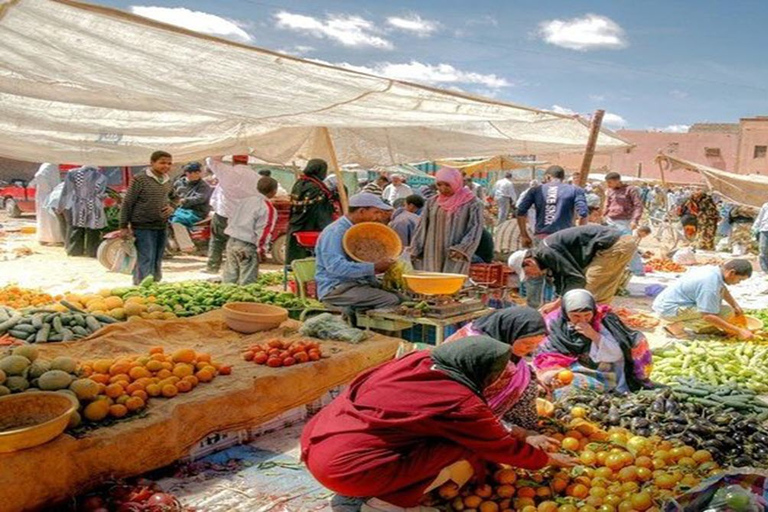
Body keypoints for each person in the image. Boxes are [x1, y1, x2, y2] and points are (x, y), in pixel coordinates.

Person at [301, 336, 575, 512]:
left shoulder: (418, 361)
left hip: (318, 443)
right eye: (497, 374)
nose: (500, 379)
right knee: (461, 448)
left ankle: (389, 488)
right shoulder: (461, 401)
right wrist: (544, 459)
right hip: (349, 471)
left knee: (441, 439)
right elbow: (498, 446)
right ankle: (386, 505)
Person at [443, 308, 552, 433]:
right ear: (509, 332)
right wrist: (519, 433)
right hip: (463, 419)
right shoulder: (478, 352)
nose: (531, 348)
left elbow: (520, 368)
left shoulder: (504, 344)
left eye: (537, 344)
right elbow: (466, 406)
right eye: (526, 343)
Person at [533, 289, 653, 396]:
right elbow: (546, 355)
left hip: (602, 371)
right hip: (565, 370)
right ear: (565, 312)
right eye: (576, 316)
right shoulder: (553, 323)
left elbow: (617, 354)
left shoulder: (604, 320)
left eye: (587, 315)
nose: (583, 320)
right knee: (557, 389)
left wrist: (594, 335)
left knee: (582, 391)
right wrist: (554, 373)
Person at [508, 225, 638, 313]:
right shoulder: (546, 254)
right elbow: (562, 280)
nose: (532, 276)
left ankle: (596, 324)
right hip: (612, 246)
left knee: (590, 291)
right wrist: (557, 302)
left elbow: (575, 278)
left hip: (613, 246)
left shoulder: (546, 252)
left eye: (528, 273)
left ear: (529, 262)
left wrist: (556, 304)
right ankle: (597, 320)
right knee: (594, 291)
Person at [315, 193, 400, 313]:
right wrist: (374, 267)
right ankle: (370, 330)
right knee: (390, 300)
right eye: (376, 212)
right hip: (336, 288)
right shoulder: (335, 232)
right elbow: (335, 267)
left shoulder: (359, 229)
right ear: (361, 211)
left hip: (356, 284)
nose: (379, 217)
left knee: (404, 298)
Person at [652, 259, 754, 339]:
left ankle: (701, 327)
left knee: (725, 310)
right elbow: (708, 316)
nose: (738, 282)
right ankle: (676, 326)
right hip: (669, 309)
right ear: (732, 273)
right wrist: (739, 331)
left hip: (667, 302)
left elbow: (723, 289)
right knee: (723, 313)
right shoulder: (710, 284)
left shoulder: (714, 271)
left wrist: (735, 305)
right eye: (740, 279)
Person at [410, 168, 484, 275]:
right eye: (439, 185)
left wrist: (462, 249)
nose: (442, 188)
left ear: (456, 183)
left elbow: (475, 228)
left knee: (450, 285)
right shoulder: (432, 202)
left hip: (454, 254)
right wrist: (416, 248)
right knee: (432, 285)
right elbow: (422, 226)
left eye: (447, 185)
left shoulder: (473, 203)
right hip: (432, 251)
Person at [119, 151, 175, 284]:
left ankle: (155, 284)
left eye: (169, 163)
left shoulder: (167, 180)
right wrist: (123, 226)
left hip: (161, 225)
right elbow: (128, 202)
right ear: (152, 162)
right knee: (145, 258)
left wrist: (172, 206)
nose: (166, 166)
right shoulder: (140, 179)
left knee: (157, 258)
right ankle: (142, 286)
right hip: (142, 225)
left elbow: (175, 197)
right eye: (162, 162)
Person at [205, 155, 262, 273]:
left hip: (224, 213)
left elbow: (211, 160)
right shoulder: (257, 177)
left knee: (217, 240)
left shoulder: (226, 172)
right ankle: (240, 269)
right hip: (245, 216)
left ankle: (213, 267)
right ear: (247, 160)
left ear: (233, 160)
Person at [222, 177, 278, 285]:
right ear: (274, 191)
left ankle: (226, 300)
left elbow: (231, 217)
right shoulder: (267, 207)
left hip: (232, 241)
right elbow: (264, 231)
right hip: (247, 245)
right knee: (247, 283)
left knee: (230, 278)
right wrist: (261, 250)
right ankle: (243, 300)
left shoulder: (244, 201)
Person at [516, 165, 588, 249]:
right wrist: (579, 234)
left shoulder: (535, 190)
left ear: (548, 177)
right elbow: (583, 213)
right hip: (565, 238)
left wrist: (524, 235)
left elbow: (520, 212)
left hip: (542, 238)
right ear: (562, 178)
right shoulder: (575, 190)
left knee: (541, 261)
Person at [286, 159, 337, 265]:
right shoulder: (316, 188)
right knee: (310, 260)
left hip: (296, 225)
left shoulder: (299, 183)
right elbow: (321, 213)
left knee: (298, 260)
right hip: (310, 228)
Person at [60, 165, 107, 257]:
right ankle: (92, 252)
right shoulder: (102, 177)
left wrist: (61, 206)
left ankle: (74, 251)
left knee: (77, 227)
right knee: (93, 229)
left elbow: (66, 191)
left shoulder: (72, 174)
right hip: (94, 204)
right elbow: (101, 194)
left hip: (78, 203)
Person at [169, 162, 212, 253]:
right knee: (162, 217)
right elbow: (171, 195)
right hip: (179, 209)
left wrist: (184, 201)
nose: (194, 175)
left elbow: (200, 198)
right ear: (186, 173)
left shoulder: (203, 186)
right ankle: (172, 245)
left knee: (177, 220)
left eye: (197, 172)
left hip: (196, 211)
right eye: (191, 172)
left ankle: (188, 247)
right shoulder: (178, 183)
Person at [31, 163, 63, 245]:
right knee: (49, 219)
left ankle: (51, 238)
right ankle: (49, 238)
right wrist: (49, 189)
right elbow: (39, 176)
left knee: (52, 219)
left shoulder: (52, 166)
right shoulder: (49, 166)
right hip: (47, 197)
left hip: (48, 196)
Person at [753, 200, 768, 272]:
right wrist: (755, 227)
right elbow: (760, 217)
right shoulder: (766, 205)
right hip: (765, 229)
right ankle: (765, 270)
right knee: (763, 249)